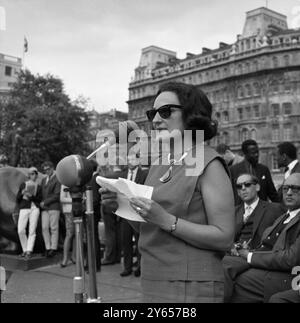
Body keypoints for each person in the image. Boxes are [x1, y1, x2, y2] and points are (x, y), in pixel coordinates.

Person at [101, 82, 235, 303]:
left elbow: (224, 237)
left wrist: (167, 220)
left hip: (192, 285)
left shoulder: (208, 162)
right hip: (153, 278)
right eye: (152, 113)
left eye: (165, 112)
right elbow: (149, 227)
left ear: (192, 114)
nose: (155, 120)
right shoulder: (159, 163)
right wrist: (121, 205)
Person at [223, 173, 300, 303]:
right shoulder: (284, 217)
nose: (289, 193)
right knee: (222, 263)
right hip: (258, 258)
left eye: (295, 188)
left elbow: (290, 258)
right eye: (285, 188)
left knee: (237, 279)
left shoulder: (276, 210)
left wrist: (249, 256)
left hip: (285, 274)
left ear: (257, 187)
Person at [231, 173, 283, 252]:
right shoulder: (233, 212)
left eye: (247, 184)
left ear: (257, 187)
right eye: (239, 186)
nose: (243, 188)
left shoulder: (274, 209)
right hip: (235, 256)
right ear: (238, 192)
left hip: (259, 257)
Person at [120, 153, 148, 277]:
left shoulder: (144, 174)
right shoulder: (122, 175)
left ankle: (140, 267)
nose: (130, 161)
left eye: (132, 158)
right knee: (126, 241)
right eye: (128, 159)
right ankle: (127, 267)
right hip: (125, 213)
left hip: (138, 213)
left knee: (139, 241)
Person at [230, 139, 280, 205]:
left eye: (257, 152)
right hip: (241, 211)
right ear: (245, 153)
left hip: (262, 211)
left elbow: (272, 194)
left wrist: (282, 209)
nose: (256, 155)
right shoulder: (234, 170)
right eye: (253, 153)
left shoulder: (264, 169)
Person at [16, 167, 42, 259]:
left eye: (34, 173)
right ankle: (25, 249)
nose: (32, 175)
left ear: (36, 175)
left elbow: (39, 200)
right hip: (24, 208)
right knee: (20, 230)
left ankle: (29, 251)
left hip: (34, 208)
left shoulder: (39, 187)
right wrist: (22, 193)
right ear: (28, 175)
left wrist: (31, 197)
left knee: (32, 230)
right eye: (31, 173)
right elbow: (17, 199)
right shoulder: (23, 184)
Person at [40, 161, 61, 258]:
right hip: (45, 208)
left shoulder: (57, 179)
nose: (46, 171)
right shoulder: (44, 180)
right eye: (45, 170)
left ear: (52, 168)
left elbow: (56, 195)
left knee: (54, 228)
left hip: (54, 207)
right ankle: (47, 248)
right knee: (44, 227)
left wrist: (45, 202)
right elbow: (42, 193)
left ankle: (53, 248)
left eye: (48, 169)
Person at [60, 185, 75, 267]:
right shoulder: (65, 183)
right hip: (69, 211)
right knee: (69, 234)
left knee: (77, 234)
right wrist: (75, 199)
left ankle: (74, 256)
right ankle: (65, 259)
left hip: (78, 209)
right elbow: (62, 199)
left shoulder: (78, 181)